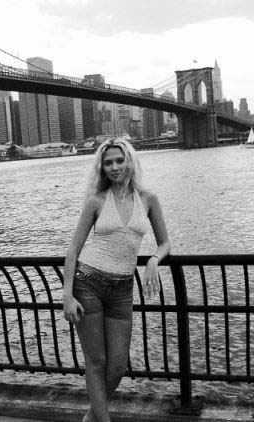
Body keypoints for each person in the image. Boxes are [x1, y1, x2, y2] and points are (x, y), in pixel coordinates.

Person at [63, 138, 170, 422]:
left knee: (118, 366)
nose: (114, 167)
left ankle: (90, 418)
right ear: (102, 168)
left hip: (123, 289)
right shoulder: (96, 200)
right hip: (88, 284)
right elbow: (73, 250)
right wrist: (67, 296)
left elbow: (165, 243)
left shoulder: (148, 199)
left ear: (130, 162)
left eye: (120, 161)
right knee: (97, 361)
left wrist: (154, 259)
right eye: (108, 163)